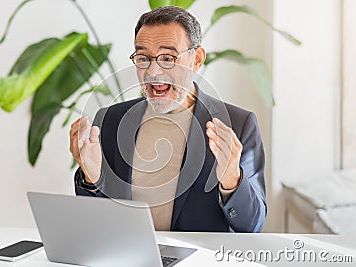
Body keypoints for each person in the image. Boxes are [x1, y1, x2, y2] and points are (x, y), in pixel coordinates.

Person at [69, 6, 266, 232]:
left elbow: (253, 225)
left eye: (168, 58)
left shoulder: (239, 124)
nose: (153, 71)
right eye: (143, 57)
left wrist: (232, 180)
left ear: (197, 59)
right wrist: (92, 178)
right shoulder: (111, 120)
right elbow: (98, 223)